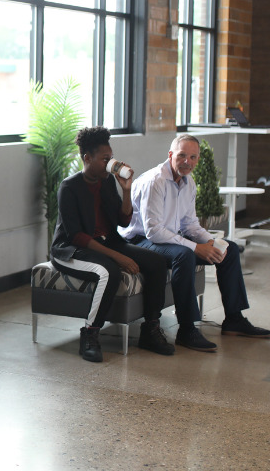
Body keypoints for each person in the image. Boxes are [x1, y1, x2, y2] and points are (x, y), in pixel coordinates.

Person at [121, 134, 270, 352]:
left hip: (167, 237)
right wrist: (195, 247)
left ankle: (234, 319)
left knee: (228, 250)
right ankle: (187, 329)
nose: (187, 162)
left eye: (193, 157)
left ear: (197, 159)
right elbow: (154, 232)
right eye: (182, 156)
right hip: (138, 241)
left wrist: (211, 242)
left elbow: (190, 224)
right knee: (185, 255)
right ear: (171, 155)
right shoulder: (156, 181)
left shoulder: (188, 182)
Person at [50, 127, 174, 362]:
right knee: (110, 272)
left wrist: (126, 191)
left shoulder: (106, 182)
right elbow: (76, 235)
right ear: (87, 158)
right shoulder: (69, 187)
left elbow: (123, 220)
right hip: (72, 250)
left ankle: (150, 329)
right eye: (105, 159)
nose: (111, 163)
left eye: (111, 157)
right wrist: (118, 257)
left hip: (106, 243)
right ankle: (90, 333)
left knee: (157, 262)